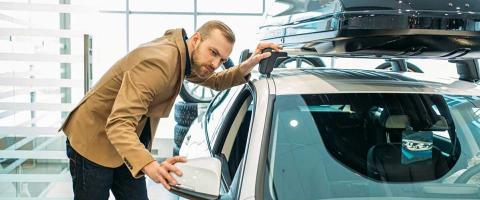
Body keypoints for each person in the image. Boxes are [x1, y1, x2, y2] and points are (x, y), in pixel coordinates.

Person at [58, 20, 282, 199]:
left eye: (221, 59)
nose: (215, 63)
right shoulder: (159, 63)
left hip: (127, 144)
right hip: (92, 139)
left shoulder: (183, 56)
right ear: (196, 39)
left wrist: (249, 63)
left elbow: (214, 81)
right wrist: (151, 166)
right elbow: (118, 124)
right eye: (213, 52)